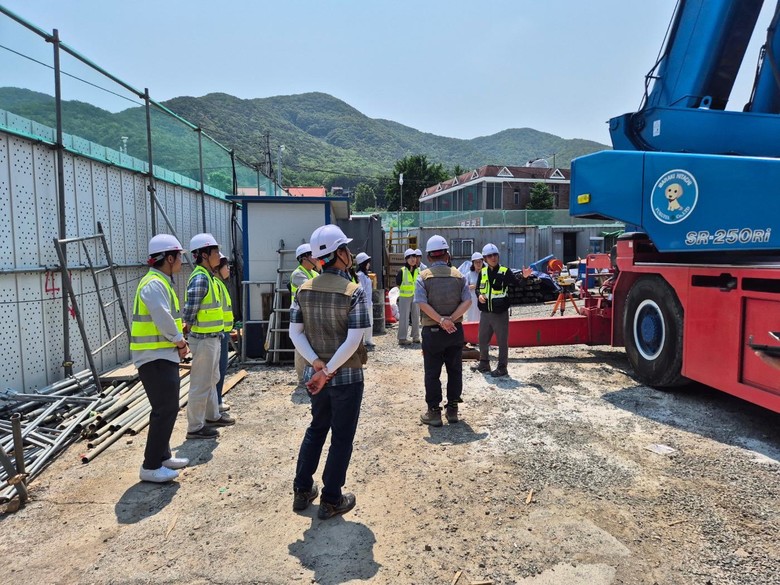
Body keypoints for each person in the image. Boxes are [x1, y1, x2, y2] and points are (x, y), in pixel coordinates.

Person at [289, 224, 370, 520]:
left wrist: (317, 365)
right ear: (340, 253)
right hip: (346, 377)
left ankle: (302, 490)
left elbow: (295, 333)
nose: (350, 253)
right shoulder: (353, 291)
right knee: (341, 437)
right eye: (346, 248)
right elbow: (354, 340)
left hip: (316, 378)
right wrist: (330, 370)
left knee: (317, 428)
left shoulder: (304, 290)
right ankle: (331, 499)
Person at [130, 234, 190, 483]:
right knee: (164, 409)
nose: (181, 262)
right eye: (178, 257)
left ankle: (163, 456)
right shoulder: (154, 284)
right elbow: (162, 317)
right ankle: (151, 465)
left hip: (161, 355)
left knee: (167, 408)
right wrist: (179, 341)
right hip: (154, 357)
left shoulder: (160, 282)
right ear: (169, 258)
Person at [183, 233, 235, 440]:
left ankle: (212, 416)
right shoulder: (201, 278)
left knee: (212, 379)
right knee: (201, 383)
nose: (218, 256)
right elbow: (190, 311)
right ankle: (195, 427)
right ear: (204, 255)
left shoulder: (208, 277)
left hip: (212, 337)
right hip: (203, 339)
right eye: (215, 252)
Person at [415, 235, 472, 426]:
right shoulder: (459, 276)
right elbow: (468, 301)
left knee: (432, 372)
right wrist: (451, 320)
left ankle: (434, 413)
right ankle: (453, 410)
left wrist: (440, 320)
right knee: (455, 370)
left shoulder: (423, 277)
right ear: (447, 255)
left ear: (429, 257)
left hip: (432, 333)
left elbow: (421, 303)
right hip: (455, 331)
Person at [473, 243, 528, 377]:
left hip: (500, 313)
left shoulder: (505, 271)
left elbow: (519, 284)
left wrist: (525, 277)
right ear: (485, 258)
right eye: (490, 256)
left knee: (502, 341)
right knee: (482, 339)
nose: (493, 258)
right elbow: (478, 289)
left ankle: (502, 368)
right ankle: (484, 363)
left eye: (495, 255)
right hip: (485, 313)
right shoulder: (483, 272)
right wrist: (479, 295)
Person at [290, 243, 321, 390]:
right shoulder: (298, 274)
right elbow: (311, 289)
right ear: (304, 258)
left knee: (311, 343)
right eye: (312, 255)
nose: (315, 258)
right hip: (300, 314)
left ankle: (313, 373)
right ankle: (302, 378)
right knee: (300, 345)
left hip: (312, 313)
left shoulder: (314, 274)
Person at [213, 253, 234, 412]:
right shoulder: (216, 284)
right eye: (226, 266)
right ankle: (216, 402)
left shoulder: (220, 284)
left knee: (221, 368)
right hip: (220, 332)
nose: (229, 269)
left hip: (224, 331)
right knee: (219, 369)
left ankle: (217, 399)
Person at [396, 248, 421, 345]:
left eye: (414, 257)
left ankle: (416, 337)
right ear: (406, 259)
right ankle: (402, 338)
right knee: (404, 317)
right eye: (410, 257)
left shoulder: (418, 270)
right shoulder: (402, 271)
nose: (413, 259)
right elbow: (398, 283)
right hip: (404, 296)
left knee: (416, 316)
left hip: (416, 296)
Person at [355, 252, 375, 349]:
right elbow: (361, 289)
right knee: (363, 322)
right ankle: (362, 341)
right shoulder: (360, 275)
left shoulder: (365, 275)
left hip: (369, 302)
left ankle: (368, 339)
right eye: (367, 262)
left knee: (370, 321)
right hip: (363, 303)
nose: (369, 264)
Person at [465, 252, 484, 322]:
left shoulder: (486, 273)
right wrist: (474, 286)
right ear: (473, 263)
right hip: (473, 299)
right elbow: (465, 288)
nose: (478, 264)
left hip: (483, 298)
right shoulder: (469, 274)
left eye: (480, 262)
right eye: (476, 262)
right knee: (473, 317)